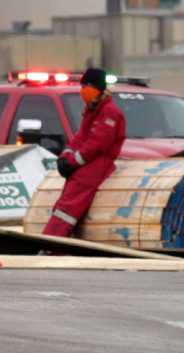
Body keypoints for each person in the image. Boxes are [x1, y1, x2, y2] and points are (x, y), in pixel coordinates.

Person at [42, 68, 125, 239]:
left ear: (97, 88)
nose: (83, 90)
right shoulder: (93, 109)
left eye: (87, 86)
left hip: (97, 164)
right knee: (64, 205)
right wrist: (65, 157)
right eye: (82, 86)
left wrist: (73, 162)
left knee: (68, 208)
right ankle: (53, 242)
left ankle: (53, 245)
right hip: (86, 164)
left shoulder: (110, 112)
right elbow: (80, 137)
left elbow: (97, 144)